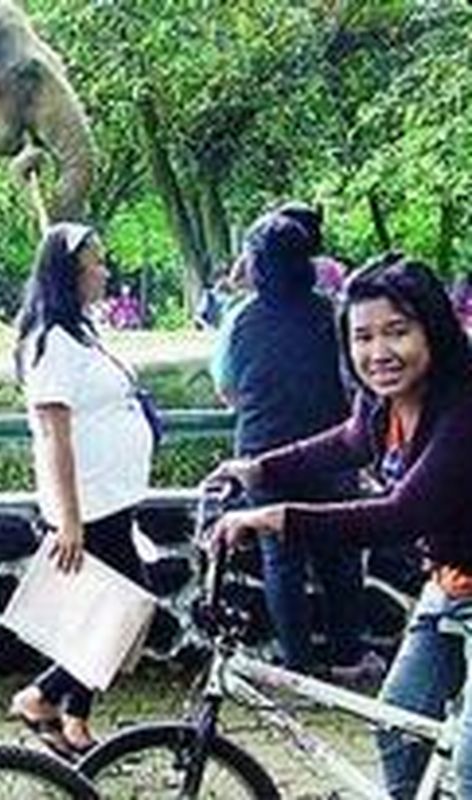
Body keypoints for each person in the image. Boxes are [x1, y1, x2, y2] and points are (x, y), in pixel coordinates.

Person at [211, 256, 472, 799]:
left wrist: (275, 517)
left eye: (397, 332)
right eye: (363, 337)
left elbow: (402, 513)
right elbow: (346, 442)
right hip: (452, 582)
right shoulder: (382, 404)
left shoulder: (461, 407)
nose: (379, 352)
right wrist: (259, 469)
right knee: (397, 724)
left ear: (433, 329)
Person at [7, 222, 155, 757]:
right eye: (96, 262)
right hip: (89, 502)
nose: (105, 271)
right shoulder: (50, 343)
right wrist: (69, 520)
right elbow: (54, 435)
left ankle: (74, 714)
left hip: (113, 495)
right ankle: (41, 696)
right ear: (70, 272)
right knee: (126, 608)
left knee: (105, 609)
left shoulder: (83, 332)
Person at [210, 211, 378, 681]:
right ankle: (348, 656)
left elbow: (226, 385)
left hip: (262, 448)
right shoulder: (332, 314)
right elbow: (355, 381)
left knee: (280, 559)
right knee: (340, 553)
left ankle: (297, 666)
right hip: (329, 448)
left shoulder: (240, 319)